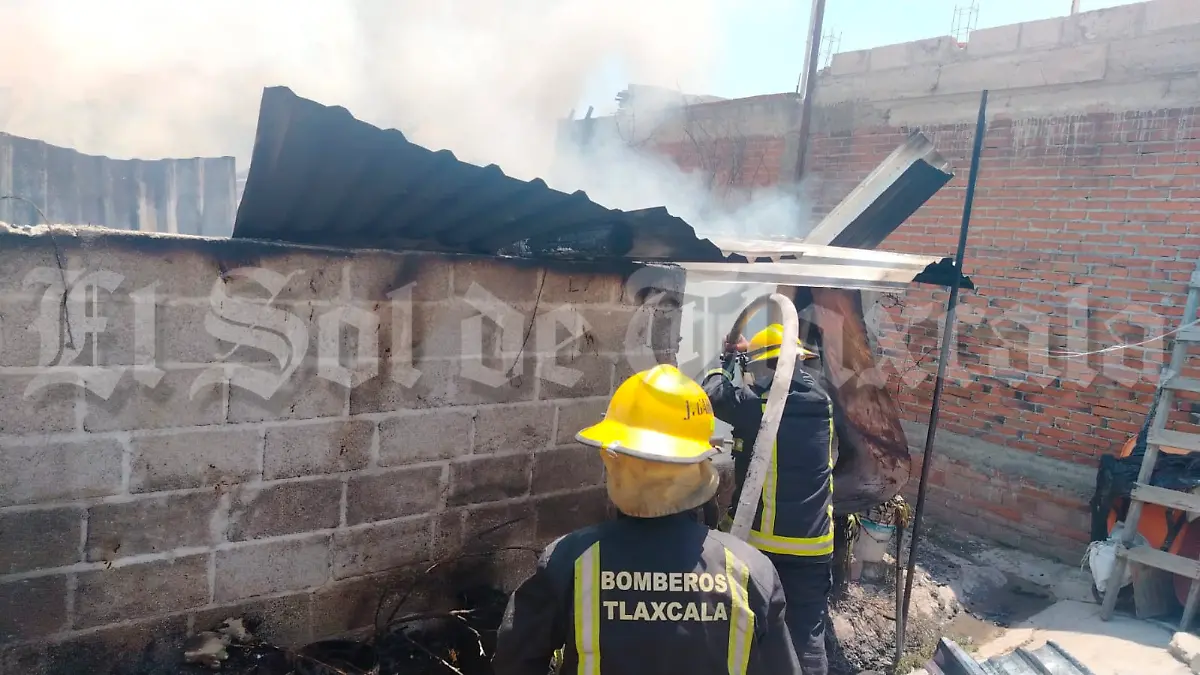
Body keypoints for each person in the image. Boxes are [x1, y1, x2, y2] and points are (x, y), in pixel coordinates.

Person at [492, 364, 802, 675]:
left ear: (616, 459)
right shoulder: (751, 573)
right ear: (699, 463)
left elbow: (513, 662)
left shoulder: (570, 561)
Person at [702, 323, 835, 675]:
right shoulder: (822, 403)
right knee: (806, 635)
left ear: (768, 366)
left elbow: (712, 393)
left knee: (748, 629)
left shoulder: (757, 406)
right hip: (814, 547)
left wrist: (728, 359)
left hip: (762, 547)